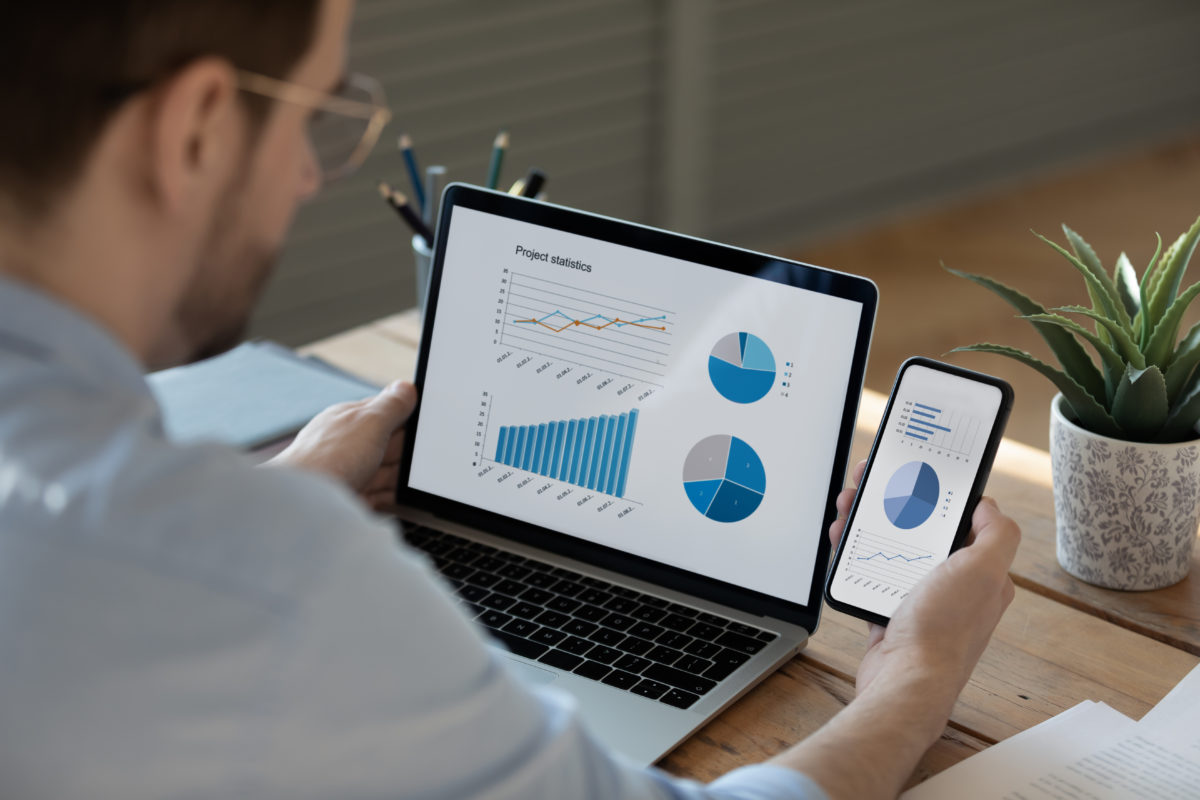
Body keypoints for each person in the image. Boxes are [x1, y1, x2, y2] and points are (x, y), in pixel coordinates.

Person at [0, 2, 1020, 797]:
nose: (311, 173)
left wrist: (285, 487)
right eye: (316, 114)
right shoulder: (277, 588)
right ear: (196, 129)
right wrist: (916, 676)